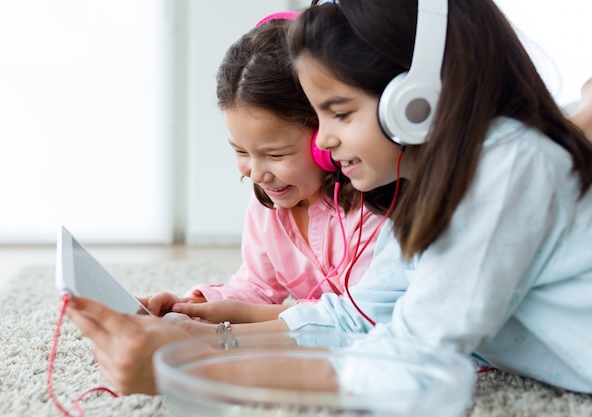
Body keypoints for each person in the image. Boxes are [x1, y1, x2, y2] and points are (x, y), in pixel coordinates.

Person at [67, 0, 592, 398]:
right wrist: (201, 337)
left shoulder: (506, 166)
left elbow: (417, 371)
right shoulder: (434, 180)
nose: (324, 140)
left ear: (416, 103)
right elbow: (359, 318)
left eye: (339, 113)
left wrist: (185, 371)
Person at [139, 14, 387, 319]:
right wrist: (189, 307)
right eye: (241, 151)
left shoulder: (372, 206)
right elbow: (256, 288)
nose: (255, 174)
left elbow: (361, 316)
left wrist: (243, 323)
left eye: (276, 154)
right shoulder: (269, 205)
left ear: (323, 133)